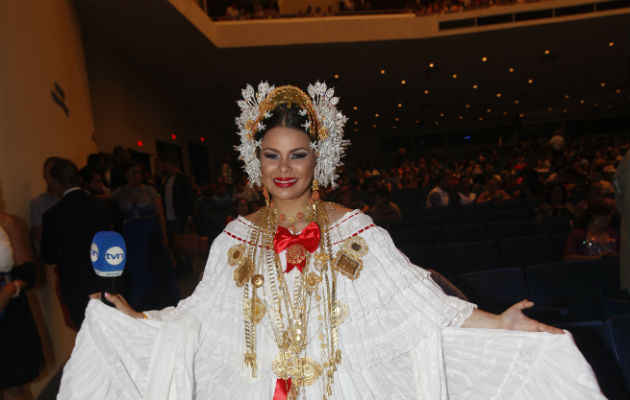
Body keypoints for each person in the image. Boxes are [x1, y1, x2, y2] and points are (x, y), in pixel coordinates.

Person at [58, 83, 604, 399]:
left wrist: (500, 322)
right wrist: (135, 320)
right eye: (272, 155)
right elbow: (198, 318)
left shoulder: (355, 228)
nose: (284, 168)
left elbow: (424, 311)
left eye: (297, 154)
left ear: (319, 158)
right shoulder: (235, 237)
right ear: (257, 162)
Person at [40, 158, 112, 329]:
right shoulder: (99, 206)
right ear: (79, 179)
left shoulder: (53, 215)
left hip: (75, 286)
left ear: (55, 183)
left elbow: (48, 255)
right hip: (105, 280)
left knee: (87, 335)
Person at [111, 163, 179, 311]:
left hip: (151, 234)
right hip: (131, 236)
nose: (136, 175)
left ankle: (162, 302)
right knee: (137, 269)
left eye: (139, 172)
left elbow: (160, 215)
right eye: (132, 172)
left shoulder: (150, 191)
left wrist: (164, 236)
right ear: (126, 175)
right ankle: (141, 303)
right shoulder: (119, 193)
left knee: (155, 266)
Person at [0, 213, 43, 400]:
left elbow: (28, 270)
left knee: (13, 385)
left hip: (9, 309)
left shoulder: (6, 223)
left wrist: (11, 288)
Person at [162, 158, 196, 275]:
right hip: (169, 216)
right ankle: (180, 264)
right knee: (174, 243)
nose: (164, 168)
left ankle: (187, 265)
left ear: (172, 165)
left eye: (166, 166)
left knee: (184, 242)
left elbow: (190, 197)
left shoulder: (183, 178)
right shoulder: (166, 180)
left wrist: (189, 216)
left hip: (180, 215)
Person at [29, 156, 61, 246]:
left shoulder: (71, 199)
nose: (53, 177)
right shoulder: (38, 203)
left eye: (56, 172)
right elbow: (39, 236)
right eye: (49, 172)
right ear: (44, 175)